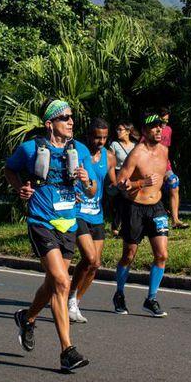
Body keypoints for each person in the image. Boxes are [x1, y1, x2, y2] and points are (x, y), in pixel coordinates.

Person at [6, 99, 93, 373]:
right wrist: (20, 189)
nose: (71, 121)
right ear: (49, 123)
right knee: (62, 281)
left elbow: (92, 190)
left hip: (68, 223)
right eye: (65, 117)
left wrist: (86, 181)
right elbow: (10, 169)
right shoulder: (30, 148)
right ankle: (67, 350)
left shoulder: (79, 150)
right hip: (41, 220)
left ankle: (27, 318)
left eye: (71, 117)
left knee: (52, 284)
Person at [112, 111, 171, 318]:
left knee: (162, 255)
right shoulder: (136, 154)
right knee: (128, 255)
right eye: (154, 126)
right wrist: (141, 183)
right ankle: (119, 294)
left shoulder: (164, 151)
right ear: (144, 131)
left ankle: (151, 299)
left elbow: (163, 173)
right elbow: (120, 183)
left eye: (160, 126)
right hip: (135, 207)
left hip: (157, 207)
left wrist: (170, 178)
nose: (158, 129)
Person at [68, 119, 115, 324]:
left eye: (104, 137)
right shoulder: (76, 153)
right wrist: (71, 193)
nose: (101, 141)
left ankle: (74, 302)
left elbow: (112, 183)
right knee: (89, 257)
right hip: (78, 212)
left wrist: (121, 186)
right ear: (89, 136)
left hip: (97, 214)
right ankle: (69, 299)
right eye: (97, 137)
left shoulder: (109, 157)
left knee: (95, 264)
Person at [159, 109, 189, 229]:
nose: (165, 123)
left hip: (165, 164)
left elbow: (166, 148)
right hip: (152, 165)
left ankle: (175, 220)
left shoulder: (168, 130)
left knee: (174, 182)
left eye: (167, 120)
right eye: (163, 120)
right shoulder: (150, 131)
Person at [107, 123, 136, 236]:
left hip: (131, 176)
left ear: (128, 131)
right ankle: (116, 228)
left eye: (120, 129)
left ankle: (125, 227)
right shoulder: (114, 145)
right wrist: (112, 179)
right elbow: (110, 162)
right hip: (118, 174)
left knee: (128, 202)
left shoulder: (135, 145)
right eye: (117, 129)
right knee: (120, 202)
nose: (118, 131)